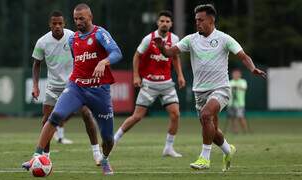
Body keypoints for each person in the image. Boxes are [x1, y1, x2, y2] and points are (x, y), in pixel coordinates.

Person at [154, 4, 266, 171]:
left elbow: (243, 56)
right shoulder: (191, 39)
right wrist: (162, 47)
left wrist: (252, 68)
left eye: (201, 20)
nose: (197, 23)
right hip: (200, 91)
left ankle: (204, 159)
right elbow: (170, 53)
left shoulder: (224, 39)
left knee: (206, 115)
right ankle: (228, 150)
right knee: (211, 129)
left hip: (220, 89)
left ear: (211, 20)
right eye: (196, 20)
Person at [23, 4, 122, 175]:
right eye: (75, 19)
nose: (78, 22)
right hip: (76, 86)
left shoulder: (100, 33)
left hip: (99, 90)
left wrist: (103, 61)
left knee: (107, 138)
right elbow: (78, 61)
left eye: (81, 18)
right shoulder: (73, 39)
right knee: (54, 116)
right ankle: (36, 156)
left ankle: (104, 158)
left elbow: (116, 52)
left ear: (90, 17)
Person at [30, 10, 102, 165]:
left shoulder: (72, 37)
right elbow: (36, 64)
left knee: (86, 114)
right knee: (46, 120)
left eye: (60, 23)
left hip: (74, 84)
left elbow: (84, 57)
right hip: (52, 87)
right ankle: (45, 157)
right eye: (54, 23)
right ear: (50, 24)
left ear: (64, 24)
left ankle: (97, 153)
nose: (57, 26)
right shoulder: (42, 42)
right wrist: (35, 86)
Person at [113, 10, 186, 158]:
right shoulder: (149, 38)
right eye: (162, 21)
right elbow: (137, 56)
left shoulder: (175, 38)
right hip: (149, 84)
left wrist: (180, 75)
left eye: (167, 21)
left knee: (175, 114)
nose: (164, 23)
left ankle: (168, 148)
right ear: (157, 23)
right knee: (137, 116)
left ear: (171, 24)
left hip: (166, 84)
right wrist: (135, 76)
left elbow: (175, 58)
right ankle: (114, 139)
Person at [226, 69, 249, 134]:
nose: (235, 75)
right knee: (232, 118)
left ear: (240, 75)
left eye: (237, 74)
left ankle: (245, 131)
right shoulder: (230, 82)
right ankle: (235, 131)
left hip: (240, 103)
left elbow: (244, 88)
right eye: (234, 74)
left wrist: (236, 87)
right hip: (231, 103)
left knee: (241, 117)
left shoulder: (243, 81)